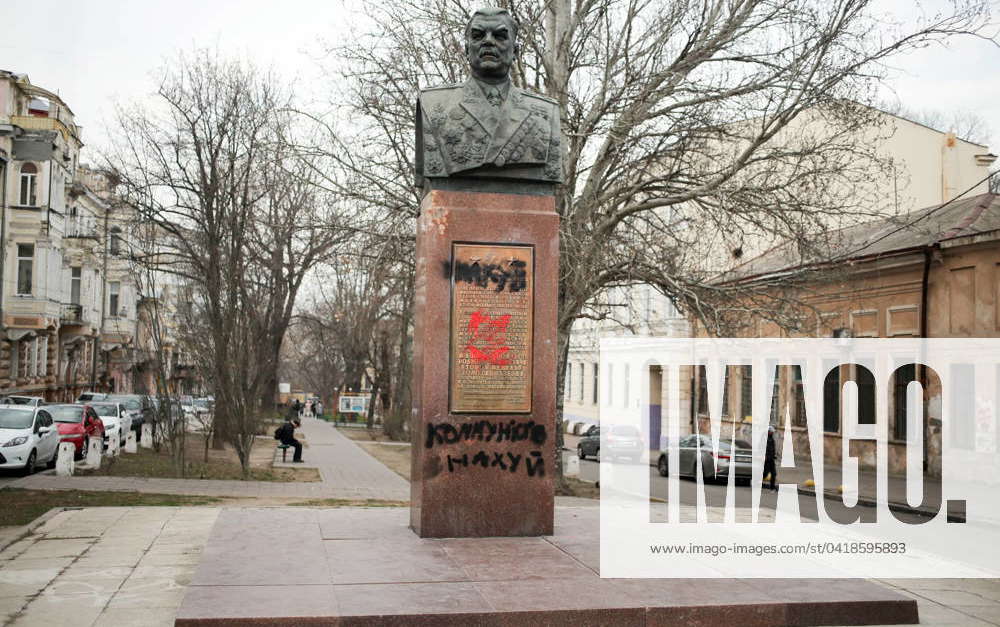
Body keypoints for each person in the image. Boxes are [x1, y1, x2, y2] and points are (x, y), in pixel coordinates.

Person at [415, 6, 562, 187]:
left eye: (499, 36)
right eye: (478, 36)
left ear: (515, 52)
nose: (488, 42)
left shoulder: (546, 112)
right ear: (467, 50)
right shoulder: (433, 104)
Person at [763, 425, 777, 491]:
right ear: (768, 432)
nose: (772, 433)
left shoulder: (772, 439)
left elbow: (773, 449)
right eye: (771, 432)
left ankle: (772, 488)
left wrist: (774, 455)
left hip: (771, 459)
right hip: (766, 460)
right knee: (765, 474)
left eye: (773, 432)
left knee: (774, 473)